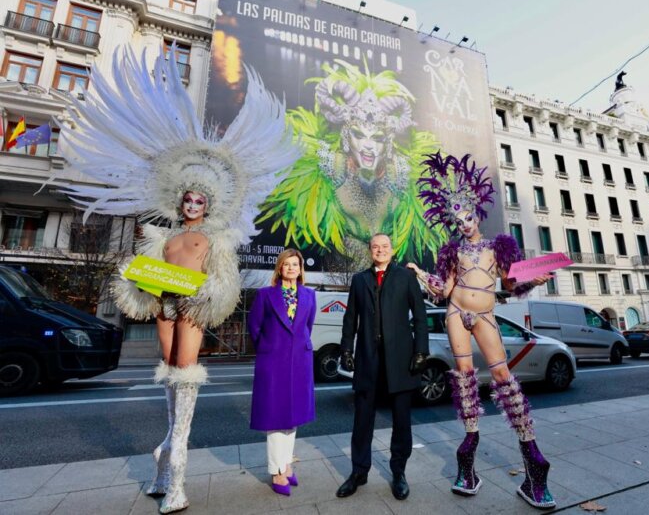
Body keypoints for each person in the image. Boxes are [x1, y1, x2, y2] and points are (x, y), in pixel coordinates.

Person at [53, 46, 299, 513]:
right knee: (170, 377)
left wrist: (199, 294)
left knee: (186, 380)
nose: (192, 206)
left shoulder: (216, 239)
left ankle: (177, 478)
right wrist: (136, 281)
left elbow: (222, 286)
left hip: (191, 309)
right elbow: (137, 284)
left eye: (199, 202)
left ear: (209, 205)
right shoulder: (161, 237)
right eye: (188, 200)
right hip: (165, 306)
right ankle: (163, 461)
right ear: (179, 201)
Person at [406, 152, 556, 509]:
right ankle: (469, 457)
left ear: (477, 215)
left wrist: (533, 280)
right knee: (464, 376)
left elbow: (510, 283)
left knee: (503, 376)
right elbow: (445, 289)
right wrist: (421, 274)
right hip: (456, 313)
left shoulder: (497, 247)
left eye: (468, 217)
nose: (464, 224)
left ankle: (532, 458)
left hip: (485, 314)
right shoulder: (452, 252)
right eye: (458, 221)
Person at [262, 59, 447, 261]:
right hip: (341, 267)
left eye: (377, 138)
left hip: (389, 267)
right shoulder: (330, 166)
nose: (368, 146)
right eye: (359, 135)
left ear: (388, 143)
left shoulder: (400, 173)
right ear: (346, 137)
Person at [336, 233, 429, 501]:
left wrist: (421, 350)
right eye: (375, 247)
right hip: (368, 358)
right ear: (370, 250)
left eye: (385, 246)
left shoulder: (406, 277)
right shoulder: (359, 280)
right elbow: (350, 318)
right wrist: (346, 349)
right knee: (362, 419)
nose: (380, 250)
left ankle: (399, 473)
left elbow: (420, 316)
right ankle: (358, 472)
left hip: (400, 359)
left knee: (401, 420)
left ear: (392, 249)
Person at [248, 249, 316, 496]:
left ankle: (286, 466)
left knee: (293, 416)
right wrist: (270, 348)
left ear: (300, 269)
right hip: (273, 362)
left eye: (295, 264)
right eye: (286, 264)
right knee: (275, 417)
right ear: (279, 268)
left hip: (300, 361)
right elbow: (254, 326)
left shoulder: (309, 295)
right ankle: (277, 471)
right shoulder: (265, 295)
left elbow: (307, 326)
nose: (291, 268)